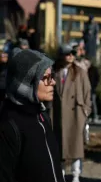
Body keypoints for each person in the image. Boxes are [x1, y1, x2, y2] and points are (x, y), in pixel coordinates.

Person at [0, 48, 64, 182]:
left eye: (52, 76)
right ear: (27, 83)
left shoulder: (42, 116)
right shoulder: (8, 125)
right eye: (46, 78)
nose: (53, 82)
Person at [51, 44, 92, 182]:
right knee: (58, 145)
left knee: (76, 147)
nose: (70, 56)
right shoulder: (54, 71)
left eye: (72, 54)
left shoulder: (80, 72)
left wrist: (86, 110)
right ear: (61, 55)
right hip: (57, 114)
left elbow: (87, 92)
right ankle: (60, 172)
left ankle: (76, 174)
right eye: (67, 53)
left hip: (76, 113)